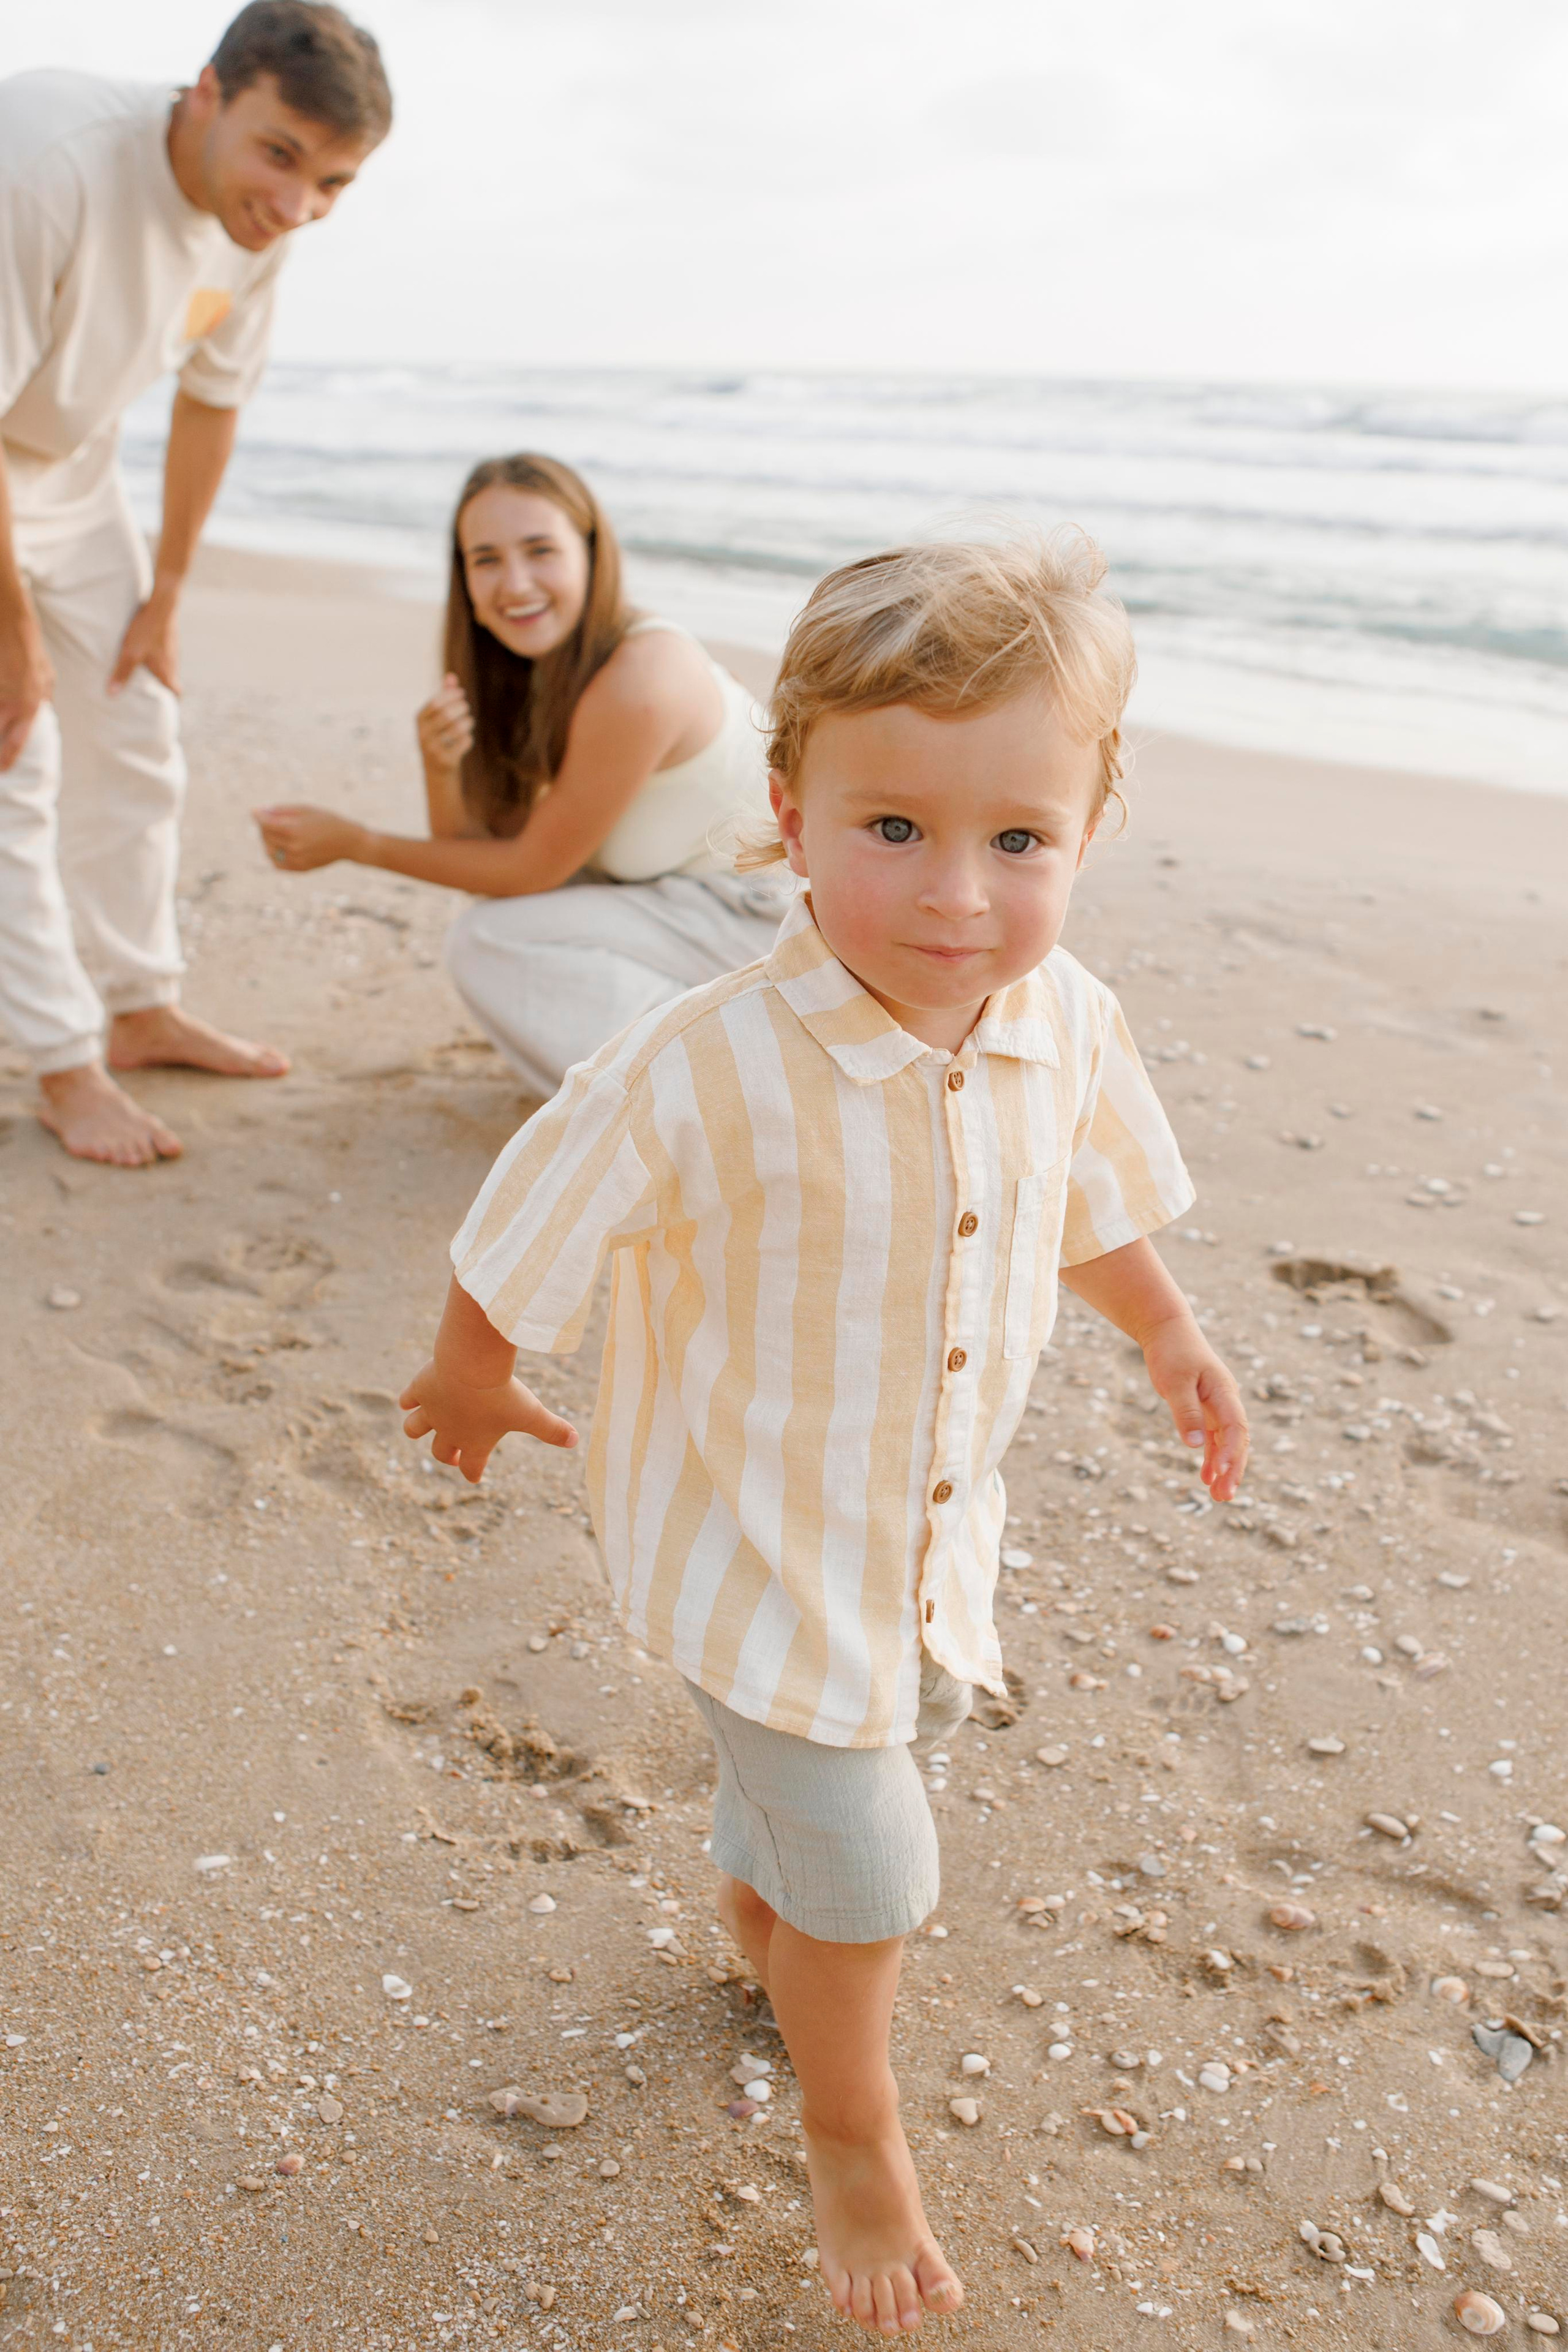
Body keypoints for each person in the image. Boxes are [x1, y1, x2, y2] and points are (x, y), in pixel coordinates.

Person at [396, 530, 1251, 2333]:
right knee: (878, 1863)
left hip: (924, 1544)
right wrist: (472, 1365)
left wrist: (1168, 1328)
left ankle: (753, 1919)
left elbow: (1086, 1200)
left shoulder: (1064, 1021)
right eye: (893, 829)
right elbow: (537, 1204)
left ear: (1086, 829)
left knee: (864, 1765)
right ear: (788, 815)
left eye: (1016, 840)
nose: (957, 892)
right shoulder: (701, 1058)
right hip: (754, 1549)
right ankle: (851, 2130)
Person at [0, 2, 391, 1167]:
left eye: (334, 183)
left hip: (67, 476)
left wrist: (165, 592)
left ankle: (139, 1006)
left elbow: (211, 401)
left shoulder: (259, 224)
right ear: (207, 93)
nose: (297, 207)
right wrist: (15, 637)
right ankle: (63, 1061)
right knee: (19, 750)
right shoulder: (46, 156)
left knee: (140, 722)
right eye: (282, 156)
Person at [254, 453, 791, 1096]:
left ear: (591, 554)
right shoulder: (542, 672)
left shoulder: (639, 676)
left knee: (487, 944)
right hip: (692, 906)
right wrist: (440, 769)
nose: (514, 583)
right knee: (503, 925)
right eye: (486, 560)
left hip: (766, 918)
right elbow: (488, 857)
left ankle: (703, 1093)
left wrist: (358, 845)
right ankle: (668, 1082)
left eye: (540, 551)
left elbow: (525, 872)